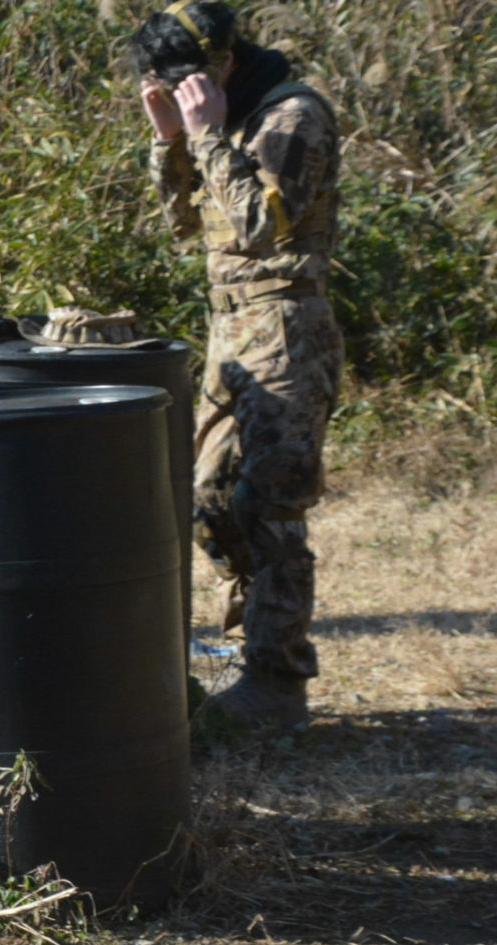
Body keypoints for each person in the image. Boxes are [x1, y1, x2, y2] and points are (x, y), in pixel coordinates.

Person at [132, 1, 343, 729]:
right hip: (232, 330)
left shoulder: (293, 115)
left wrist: (205, 134)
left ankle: (277, 684)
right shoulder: (228, 120)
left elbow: (259, 226)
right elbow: (182, 223)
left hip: (286, 329)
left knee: (270, 503)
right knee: (211, 499)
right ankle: (249, 650)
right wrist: (170, 142)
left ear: (223, 64)